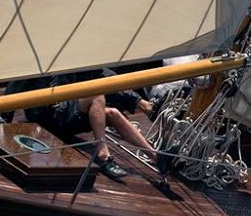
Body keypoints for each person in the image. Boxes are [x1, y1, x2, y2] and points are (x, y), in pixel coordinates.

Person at [15, 70, 160, 179]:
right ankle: (103, 154)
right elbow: (15, 85)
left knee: (113, 113)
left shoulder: (78, 62)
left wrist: (137, 101)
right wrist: (3, 118)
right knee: (97, 95)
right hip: (46, 117)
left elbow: (104, 76)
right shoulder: (44, 64)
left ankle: (157, 158)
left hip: (66, 118)